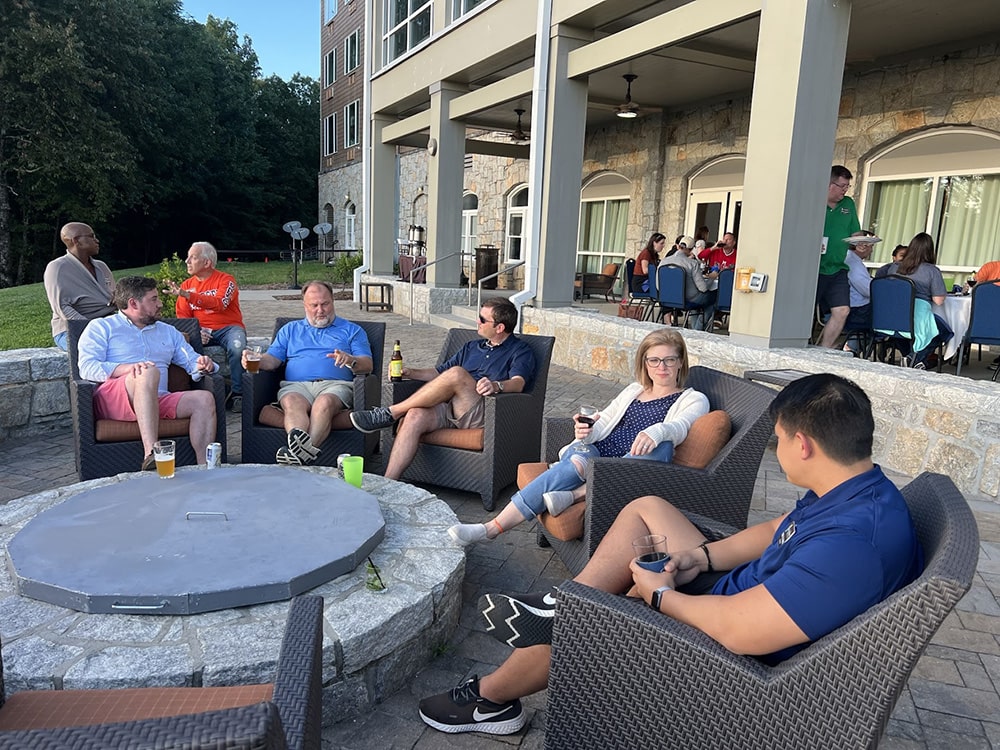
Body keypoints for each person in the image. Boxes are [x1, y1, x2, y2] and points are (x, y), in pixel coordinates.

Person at [417, 373, 923, 736]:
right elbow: (777, 530)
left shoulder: (852, 546)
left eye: (779, 440)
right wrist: (700, 559)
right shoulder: (855, 490)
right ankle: (564, 603)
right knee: (647, 508)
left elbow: (739, 632)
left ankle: (492, 698)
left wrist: (660, 598)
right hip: (741, 592)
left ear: (805, 445)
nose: (779, 450)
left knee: (595, 615)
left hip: (732, 653)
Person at [447, 329, 708, 545]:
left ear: (681, 362)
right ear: (644, 363)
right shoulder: (634, 390)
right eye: (654, 360)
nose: (661, 367)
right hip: (599, 452)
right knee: (575, 461)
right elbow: (605, 419)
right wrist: (588, 429)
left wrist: (656, 430)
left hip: (633, 463)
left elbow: (680, 426)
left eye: (669, 360)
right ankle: (491, 529)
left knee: (661, 446)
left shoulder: (693, 398)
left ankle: (575, 494)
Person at [350, 298, 537, 480]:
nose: (477, 322)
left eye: (482, 319)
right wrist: (410, 372)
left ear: (500, 327)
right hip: (451, 407)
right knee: (415, 415)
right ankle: (388, 482)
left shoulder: (520, 350)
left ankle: (391, 413)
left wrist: (497, 385)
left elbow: (518, 383)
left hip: (485, 411)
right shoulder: (472, 346)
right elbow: (440, 374)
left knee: (457, 373)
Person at [77, 276, 219, 470]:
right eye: (153, 299)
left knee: (204, 399)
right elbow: (87, 367)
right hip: (116, 399)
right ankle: (152, 454)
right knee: (147, 372)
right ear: (133, 303)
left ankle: (206, 469)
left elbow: (191, 361)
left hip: (157, 399)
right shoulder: (102, 327)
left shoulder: (169, 332)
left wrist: (203, 365)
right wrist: (127, 369)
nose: (160, 303)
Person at [245, 280, 373, 466]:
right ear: (304, 306)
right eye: (314, 305)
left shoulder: (352, 330)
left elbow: (367, 365)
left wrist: (350, 360)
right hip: (296, 386)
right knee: (291, 401)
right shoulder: (290, 330)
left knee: (324, 403)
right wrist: (253, 359)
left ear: (333, 302)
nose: (320, 310)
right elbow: (271, 361)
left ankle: (299, 457)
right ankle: (305, 455)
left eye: (325, 303)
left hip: (335, 386)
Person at [164, 242, 248, 413]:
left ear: (207, 262)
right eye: (188, 257)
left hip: (229, 328)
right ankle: (198, 393)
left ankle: (238, 394)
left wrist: (188, 295)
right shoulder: (186, 285)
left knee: (238, 347)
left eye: (192, 257)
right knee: (183, 348)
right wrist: (196, 332)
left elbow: (220, 303)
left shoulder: (226, 280)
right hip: (201, 330)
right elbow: (183, 316)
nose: (186, 261)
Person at [879, 232, 950, 368]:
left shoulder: (894, 267)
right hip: (917, 314)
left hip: (892, 316)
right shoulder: (931, 270)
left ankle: (912, 359)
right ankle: (914, 358)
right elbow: (939, 301)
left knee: (901, 333)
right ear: (930, 251)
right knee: (942, 332)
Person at [43, 222, 116, 350]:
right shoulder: (57, 268)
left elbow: (114, 296)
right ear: (77, 241)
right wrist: (92, 328)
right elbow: (62, 308)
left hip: (107, 323)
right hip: (71, 329)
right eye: (92, 236)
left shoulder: (101, 266)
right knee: (98, 350)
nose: (96, 240)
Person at [817, 165, 861, 348]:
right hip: (815, 268)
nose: (845, 190)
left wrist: (863, 240)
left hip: (837, 268)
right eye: (842, 186)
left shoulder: (848, 204)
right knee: (803, 312)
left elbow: (855, 233)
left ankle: (823, 350)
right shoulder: (815, 203)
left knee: (842, 310)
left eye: (847, 187)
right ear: (829, 184)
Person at [658, 235, 717, 330]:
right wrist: (712, 278)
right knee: (713, 298)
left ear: (678, 246)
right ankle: (698, 329)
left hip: (667, 300)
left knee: (698, 301)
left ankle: (695, 328)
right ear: (690, 249)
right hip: (689, 300)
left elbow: (658, 285)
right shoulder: (692, 264)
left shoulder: (663, 262)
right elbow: (703, 288)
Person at [842, 231, 881, 352]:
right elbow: (868, 290)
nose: (872, 251)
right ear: (862, 246)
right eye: (871, 246)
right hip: (857, 311)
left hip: (854, 308)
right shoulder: (854, 263)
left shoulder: (851, 259)